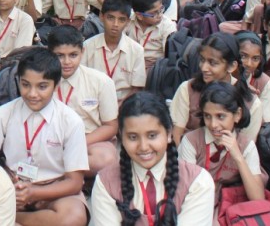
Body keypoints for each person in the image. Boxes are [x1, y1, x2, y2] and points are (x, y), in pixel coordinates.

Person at [0, 47, 89, 226]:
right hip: (12, 186)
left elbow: (75, 182)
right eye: (25, 85)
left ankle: (15, 219)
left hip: (55, 190)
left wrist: (33, 192)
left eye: (42, 86)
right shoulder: (4, 114)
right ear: (18, 81)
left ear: (55, 85)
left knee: (74, 217)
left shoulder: (70, 120)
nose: (32, 94)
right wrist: (8, 189)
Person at [91, 92, 215, 225]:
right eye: (133, 137)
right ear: (121, 137)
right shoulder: (105, 183)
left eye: (152, 136)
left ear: (168, 133)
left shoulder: (198, 182)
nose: (143, 147)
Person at [179, 82, 267, 207]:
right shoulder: (191, 141)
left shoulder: (246, 146)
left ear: (237, 115)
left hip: (230, 204)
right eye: (207, 116)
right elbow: (185, 190)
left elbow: (258, 198)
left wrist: (238, 157)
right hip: (198, 202)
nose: (213, 124)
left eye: (220, 116)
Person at [47, 25, 119, 176]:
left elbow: (111, 126)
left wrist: (76, 143)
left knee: (105, 159)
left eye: (73, 55)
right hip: (48, 140)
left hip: (89, 141)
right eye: (59, 55)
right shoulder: (41, 79)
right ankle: (67, 174)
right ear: (49, 54)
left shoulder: (101, 81)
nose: (66, 62)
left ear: (82, 52)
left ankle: (53, 173)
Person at [82, 0, 146, 105]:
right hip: (92, 102)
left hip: (123, 103)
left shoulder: (136, 50)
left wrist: (120, 108)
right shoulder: (87, 46)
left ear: (128, 22)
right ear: (101, 17)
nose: (115, 24)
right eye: (110, 18)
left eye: (121, 20)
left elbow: (137, 88)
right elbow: (81, 81)